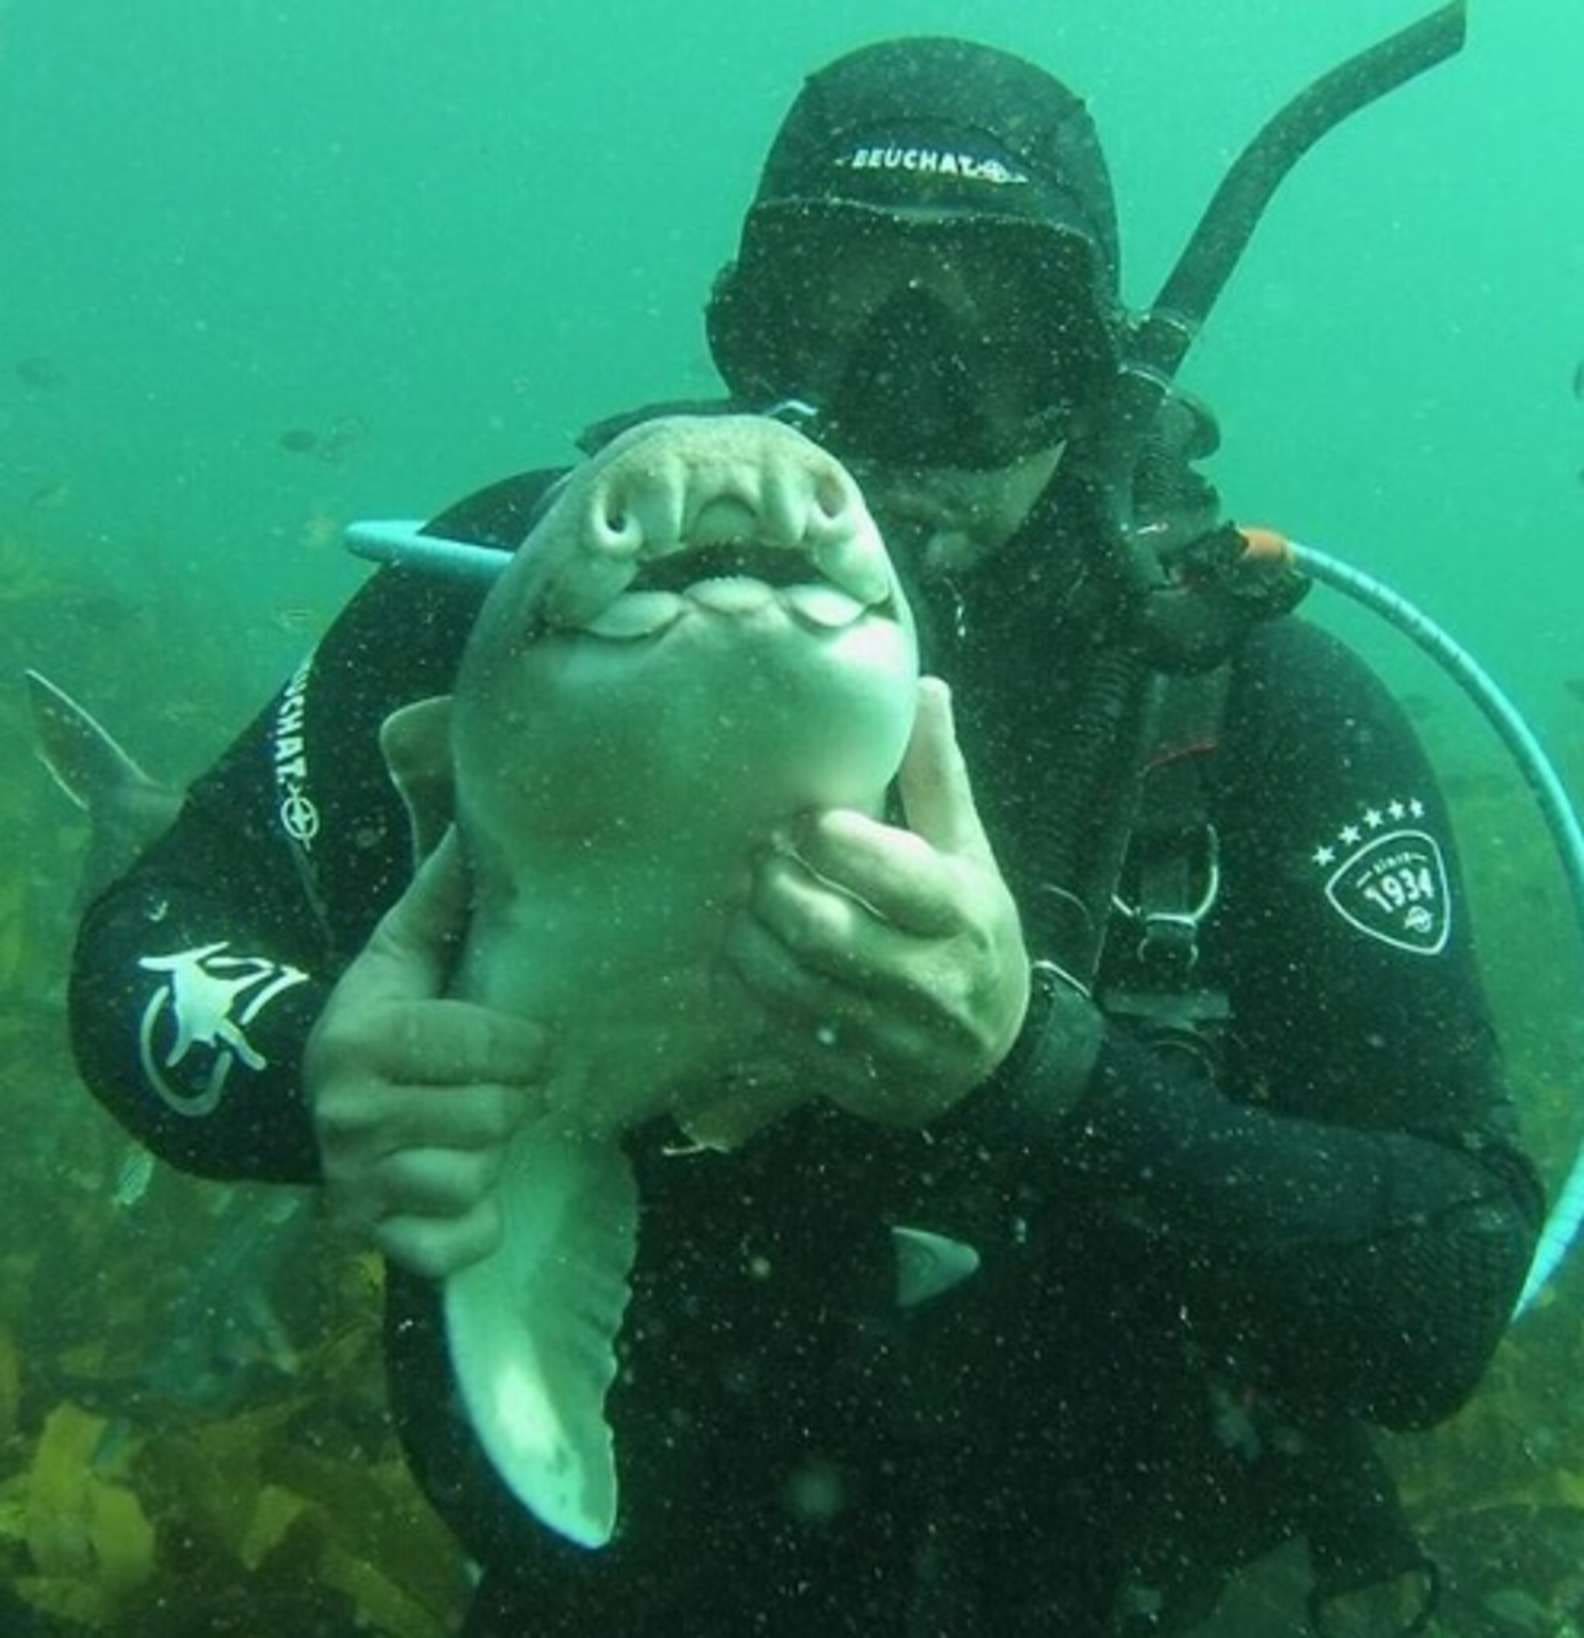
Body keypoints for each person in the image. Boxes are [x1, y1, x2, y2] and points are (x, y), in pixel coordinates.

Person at [69, 35, 1542, 1638]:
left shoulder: (1253, 712)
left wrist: (1048, 1070)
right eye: (841, 310)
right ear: (741, 326)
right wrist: (318, 1069)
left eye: (1002, 334)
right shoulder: (502, 598)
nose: (913, 399)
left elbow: (1443, 1295)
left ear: (1100, 368)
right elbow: (152, 935)